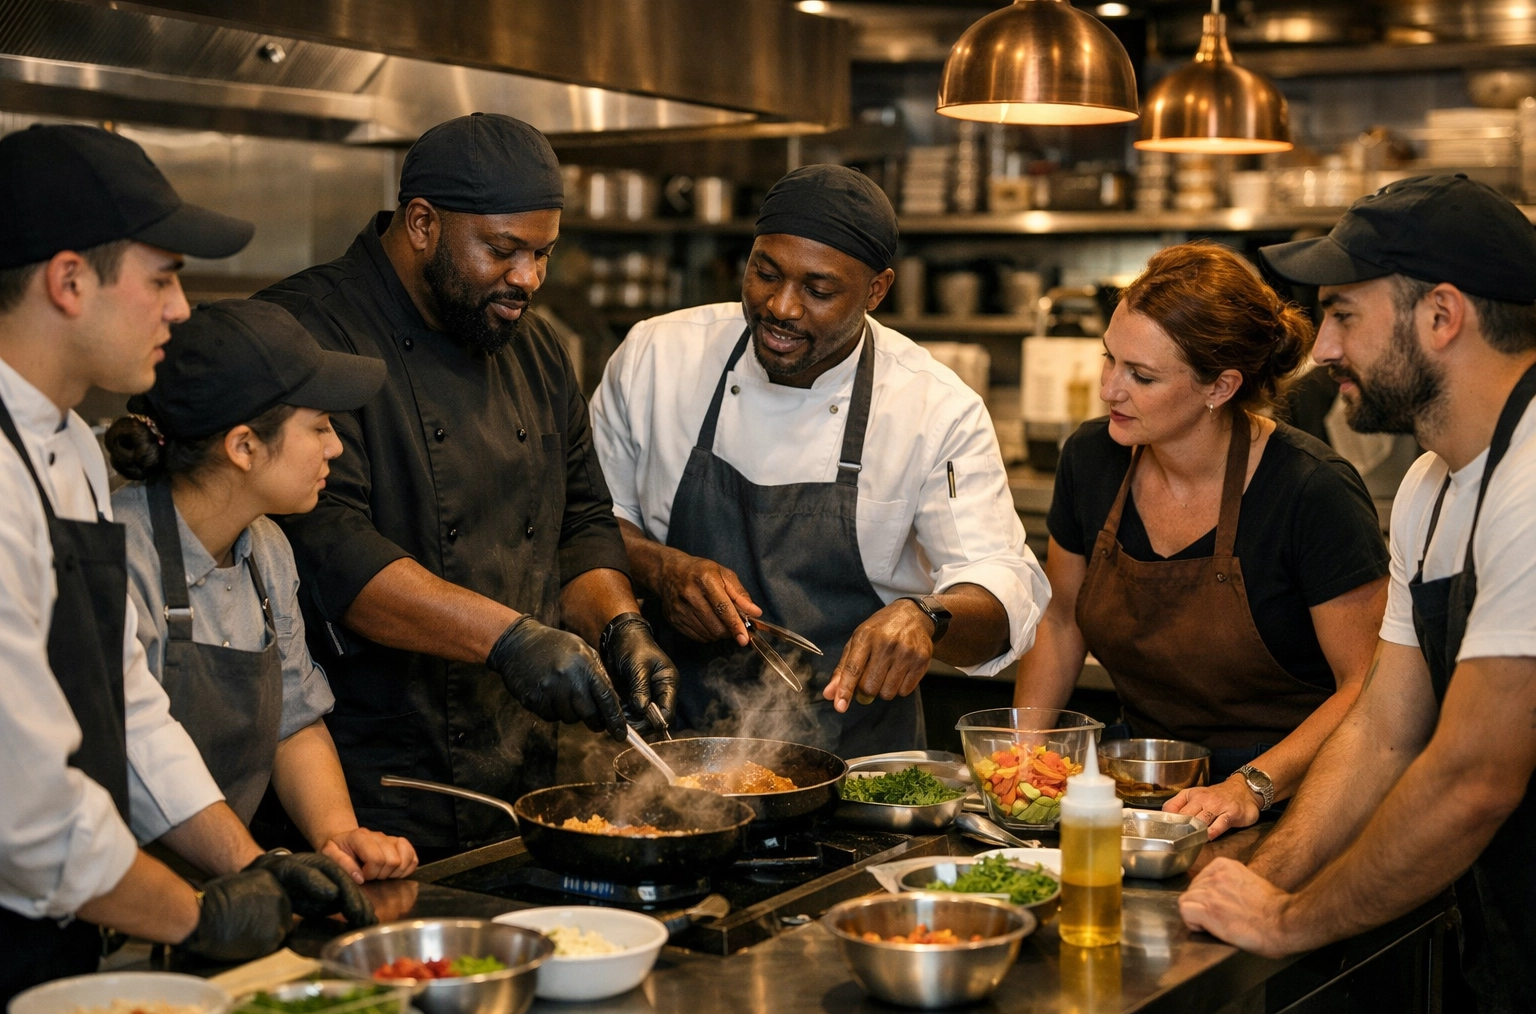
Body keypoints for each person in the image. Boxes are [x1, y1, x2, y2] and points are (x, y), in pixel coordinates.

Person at [0, 125, 370, 1002]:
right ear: (67, 281)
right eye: (162, 279)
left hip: (61, 935)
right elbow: (24, 810)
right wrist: (198, 916)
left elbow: (127, 709)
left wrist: (251, 868)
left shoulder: (71, 451)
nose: (178, 308)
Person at [257, 113, 677, 858]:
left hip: (519, 768)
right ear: (421, 223)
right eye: (504, 251)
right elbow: (332, 553)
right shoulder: (308, 335)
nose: (529, 280)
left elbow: (580, 521)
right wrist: (512, 641)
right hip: (369, 786)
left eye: (543, 254)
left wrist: (619, 626)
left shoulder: (537, 348)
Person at [1178, 175, 1536, 1014]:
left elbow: (1476, 777)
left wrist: (1293, 921)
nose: (1322, 350)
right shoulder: (1431, 485)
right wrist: (1255, 885)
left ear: (1441, 316)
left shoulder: (1532, 481)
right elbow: (1382, 730)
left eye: (1342, 314)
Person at [590, 164, 1048, 757]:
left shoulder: (935, 408)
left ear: (877, 290)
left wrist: (928, 616)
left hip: (855, 760)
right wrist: (661, 568)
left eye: (819, 290)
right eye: (765, 273)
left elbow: (1003, 585)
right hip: (670, 742)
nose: (781, 307)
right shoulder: (657, 356)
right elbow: (585, 525)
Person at [1012, 242, 1389, 839]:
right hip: (1142, 781)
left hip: (1296, 795)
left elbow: (1369, 686)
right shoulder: (1091, 459)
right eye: (1109, 359)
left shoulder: (1310, 490)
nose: (1109, 388)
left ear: (1220, 387)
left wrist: (1251, 788)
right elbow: (1061, 619)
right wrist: (1024, 755)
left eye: (1142, 375)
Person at [105, 299, 417, 884]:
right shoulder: (117, 558)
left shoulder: (267, 549)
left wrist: (337, 834)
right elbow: (130, 757)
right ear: (243, 446)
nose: (336, 449)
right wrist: (250, 869)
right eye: (320, 427)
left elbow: (293, 720)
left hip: (227, 882)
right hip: (123, 896)